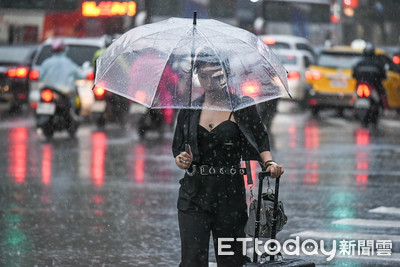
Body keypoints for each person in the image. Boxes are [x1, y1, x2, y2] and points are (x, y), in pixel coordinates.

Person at [172, 48, 284, 267]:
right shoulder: (190, 108)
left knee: (232, 261)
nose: (208, 81)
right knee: (192, 261)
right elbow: (178, 149)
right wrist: (181, 159)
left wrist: (269, 162)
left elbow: (260, 138)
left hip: (229, 195)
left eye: (214, 75)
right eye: (203, 75)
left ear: (224, 74)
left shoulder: (241, 106)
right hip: (193, 194)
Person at [39, 38, 83, 114]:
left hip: (49, 91)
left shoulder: (46, 63)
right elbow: (80, 75)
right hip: (64, 94)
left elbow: (40, 76)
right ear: (64, 49)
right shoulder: (69, 63)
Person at [352, 42, 388, 109]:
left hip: (362, 83)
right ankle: (385, 108)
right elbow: (383, 74)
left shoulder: (360, 63)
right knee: (382, 93)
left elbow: (354, 74)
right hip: (373, 84)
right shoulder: (377, 63)